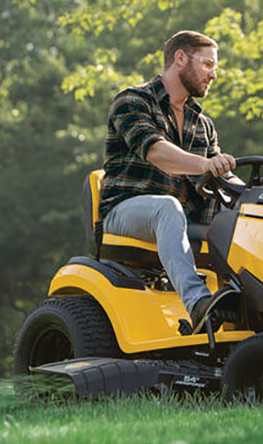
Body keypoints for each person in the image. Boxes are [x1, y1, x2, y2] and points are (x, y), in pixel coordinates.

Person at [99, 30, 237, 332]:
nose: (213, 75)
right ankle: (199, 304)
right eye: (207, 65)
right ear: (180, 58)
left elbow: (222, 178)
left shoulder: (201, 124)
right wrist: (205, 164)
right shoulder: (132, 101)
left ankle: (252, 309)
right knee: (167, 207)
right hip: (125, 212)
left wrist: (253, 197)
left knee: (247, 216)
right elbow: (156, 151)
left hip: (182, 219)